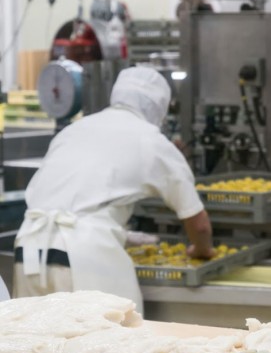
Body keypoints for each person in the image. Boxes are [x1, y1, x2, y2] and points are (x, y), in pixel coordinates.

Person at [13, 67, 215, 313]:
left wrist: (122, 233)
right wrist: (202, 250)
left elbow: (77, 200)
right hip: (83, 257)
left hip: (29, 250)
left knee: (35, 345)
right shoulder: (150, 139)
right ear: (158, 108)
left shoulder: (75, 129)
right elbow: (199, 224)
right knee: (108, 344)